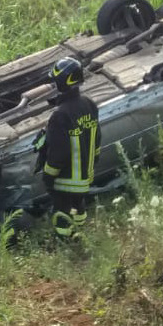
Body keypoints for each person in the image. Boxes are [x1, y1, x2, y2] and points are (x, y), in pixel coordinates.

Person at [33, 57, 101, 242]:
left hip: (66, 179)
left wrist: (48, 175)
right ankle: (80, 234)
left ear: (63, 82)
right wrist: (93, 162)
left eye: (55, 81)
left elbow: (59, 152)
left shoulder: (59, 115)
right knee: (79, 205)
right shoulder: (89, 104)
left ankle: (64, 242)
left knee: (61, 212)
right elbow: (97, 138)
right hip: (85, 176)